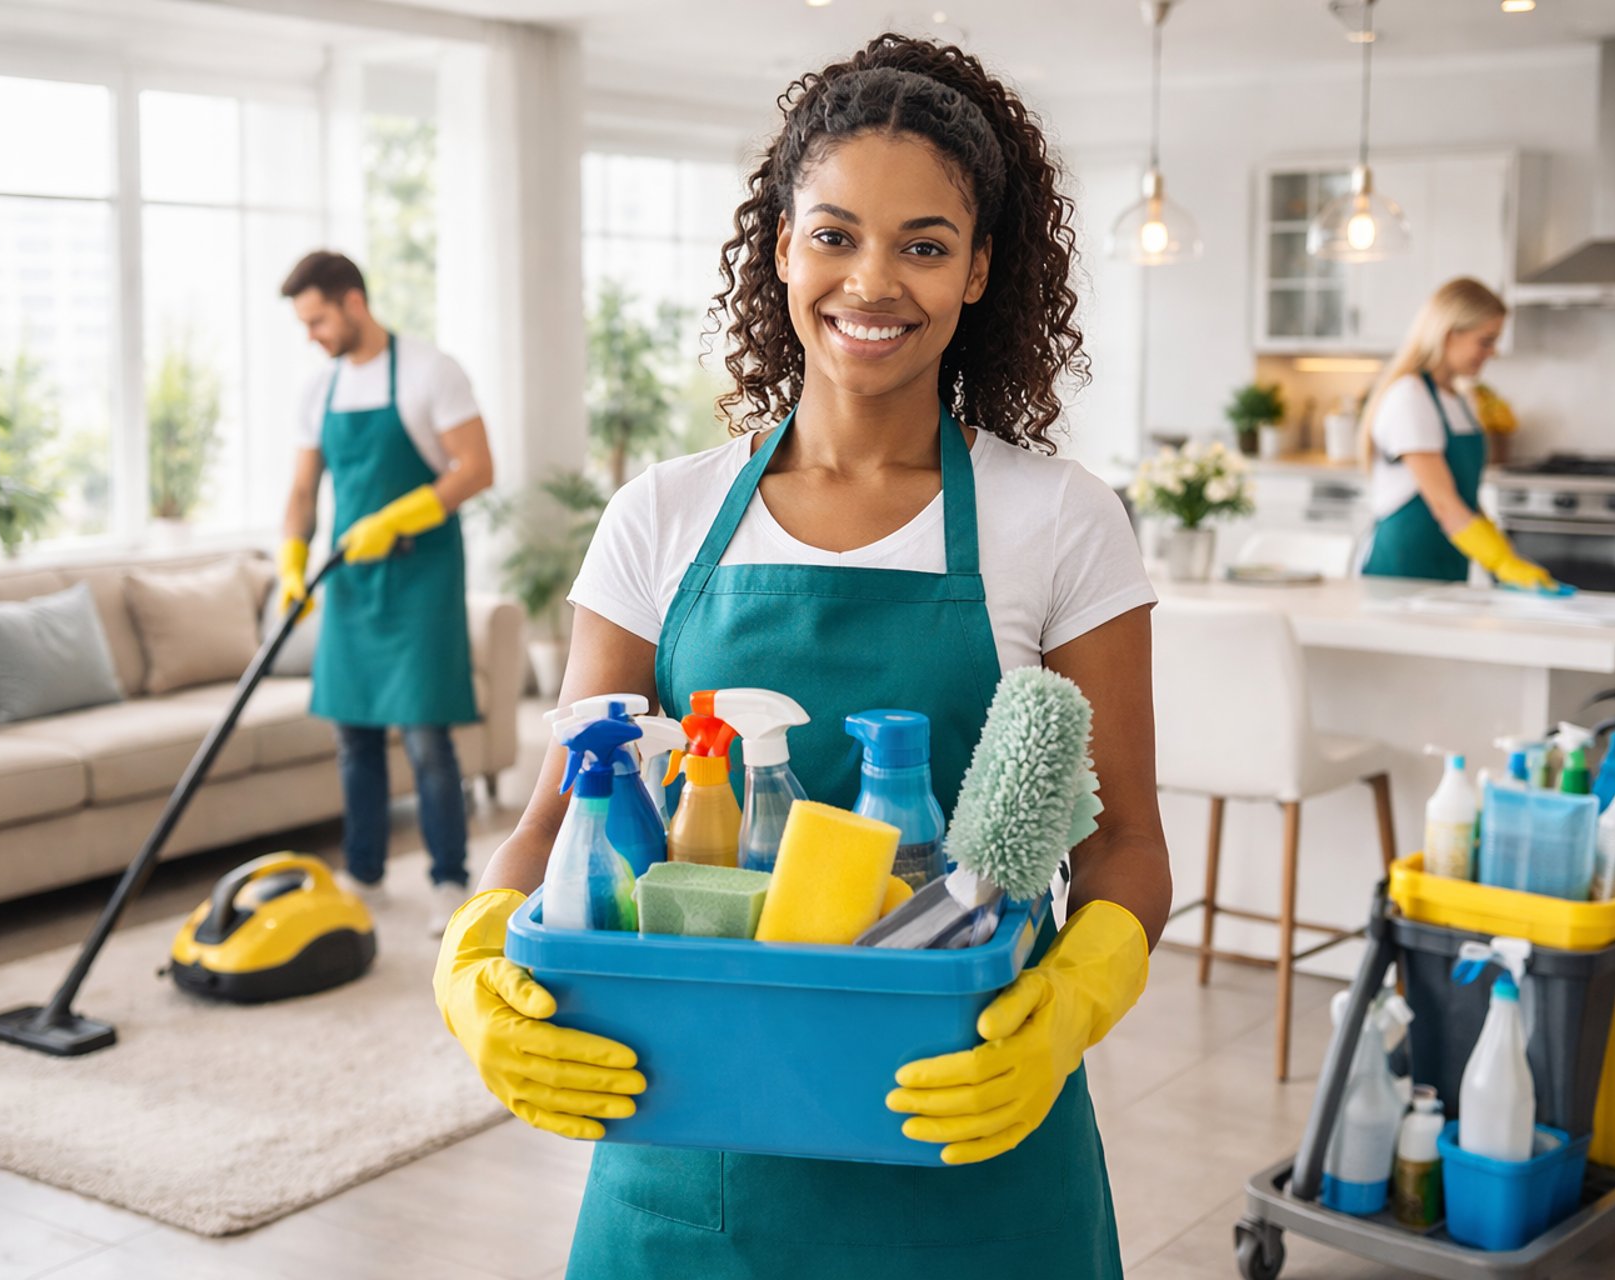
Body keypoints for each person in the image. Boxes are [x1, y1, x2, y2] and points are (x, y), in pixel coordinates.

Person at [433, 36, 1170, 1279]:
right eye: (834, 235)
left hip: (969, 1131)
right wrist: (474, 961)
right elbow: (561, 811)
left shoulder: (1059, 518)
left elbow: (1126, 843)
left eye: (924, 245)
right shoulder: (661, 515)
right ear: (780, 247)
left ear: (981, 269)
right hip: (695, 1158)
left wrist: (1068, 1004)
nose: (871, 282)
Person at [278, 250, 494, 935]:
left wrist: (398, 517)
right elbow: (303, 489)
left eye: (317, 320)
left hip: (421, 574)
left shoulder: (431, 371)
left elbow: (477, 468)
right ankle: (364, 874)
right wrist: (291, 559)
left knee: (426, 736)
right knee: (353, 734)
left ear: (353, 302)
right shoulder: (320, 390)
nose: (312, 335)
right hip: (350, 578)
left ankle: (449, 879)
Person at [1358, 278, 1558, 588]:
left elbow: (1465, 500)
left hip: (1447, 565)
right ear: (1450, 334)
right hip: (1400, 571)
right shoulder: (1410, 396)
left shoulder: (1460, 399)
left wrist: (1505, 556)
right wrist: (1501, 562)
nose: (1491, 352)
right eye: (1485, 341)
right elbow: (1444, 503)